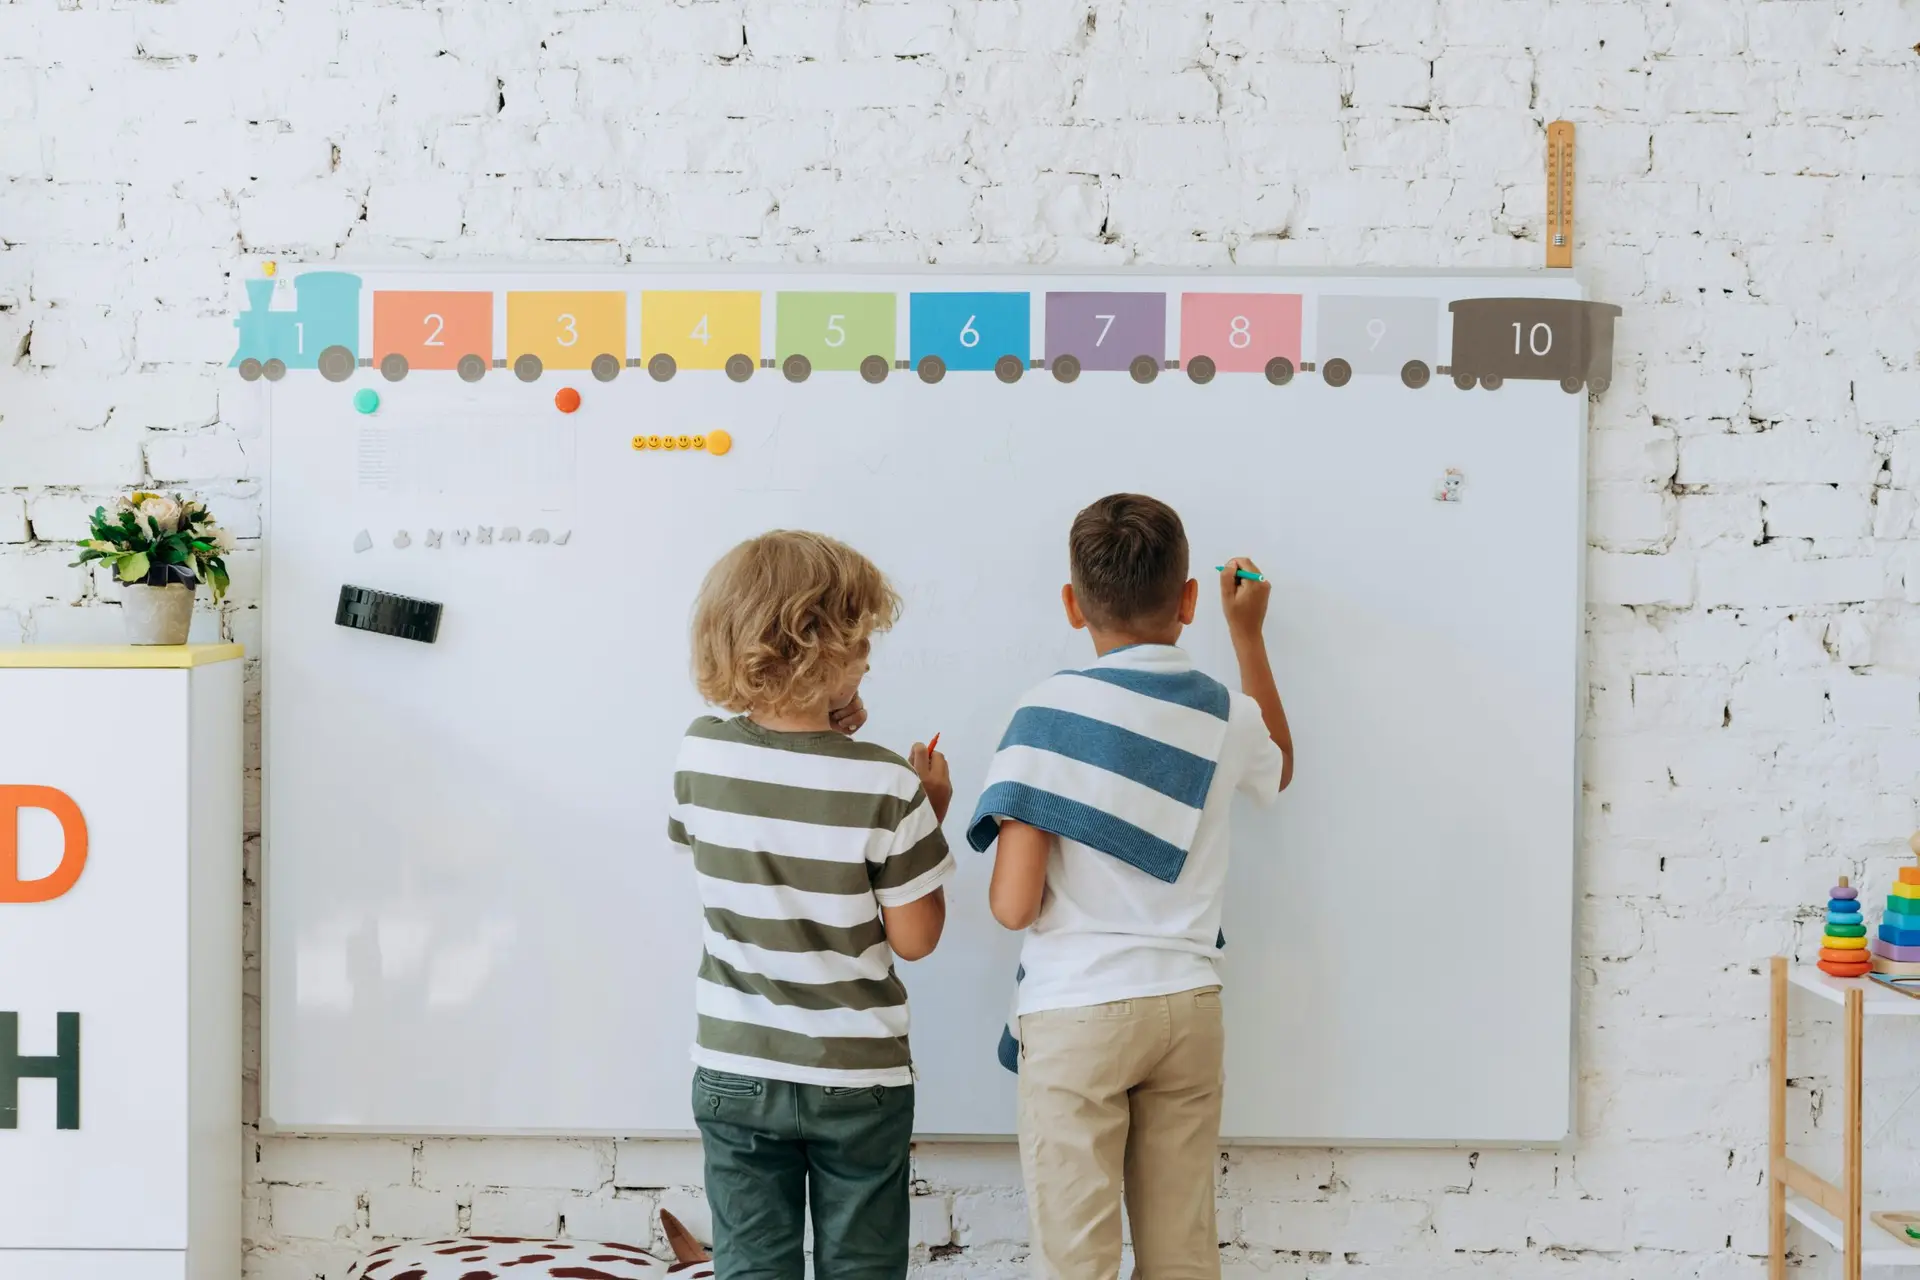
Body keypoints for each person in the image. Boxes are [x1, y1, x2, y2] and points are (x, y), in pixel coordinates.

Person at [967, 493, 1294, 1280]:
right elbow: (1277, 766)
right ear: (1188, 600)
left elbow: (1013, 904)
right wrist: (1246, 636)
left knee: (1076, 1262)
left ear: (1073, 606)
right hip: (1187, 1007)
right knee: (1182, 1255)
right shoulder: (1226, 716)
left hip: (1077, 1012)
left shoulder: (1048, 714)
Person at [669, 529, 953, 1280]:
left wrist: (822, 717)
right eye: (862, 645)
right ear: (827, 649)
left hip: (735, 1066)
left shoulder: (699, 752)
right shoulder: (891, 785)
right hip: (856, 1077)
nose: (868, 661)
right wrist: (931, 812)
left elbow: (724, 857)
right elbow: (916, 938)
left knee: (752, 1266)